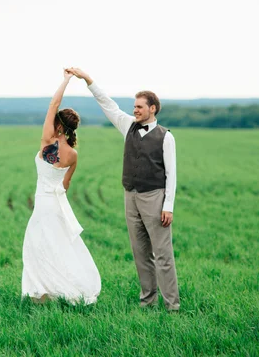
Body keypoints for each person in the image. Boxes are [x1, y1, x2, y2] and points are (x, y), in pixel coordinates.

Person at [68, 67, 179, 311]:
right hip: (130, 197)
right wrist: (88, 80)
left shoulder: (166, 137)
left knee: (162, 255)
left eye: (140, 106)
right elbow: (107, 104)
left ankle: (172, 306)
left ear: (153, 108)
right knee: (140, 253)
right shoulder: (127, 125)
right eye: (134, 106)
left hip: (155, 198)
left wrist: (168, 206)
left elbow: (171, 174)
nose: (135, 110)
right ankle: (147, 302)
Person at [21, 69, 101, 305]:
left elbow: (53, 103)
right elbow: (65, 185)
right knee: (58, 247)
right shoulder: (73, 155)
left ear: (58, 125)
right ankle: (56, 290)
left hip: (44, 204)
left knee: (37, 247)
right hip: (58, 205)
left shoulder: (47, 141)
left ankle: (41, 294)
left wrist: (65, 80)